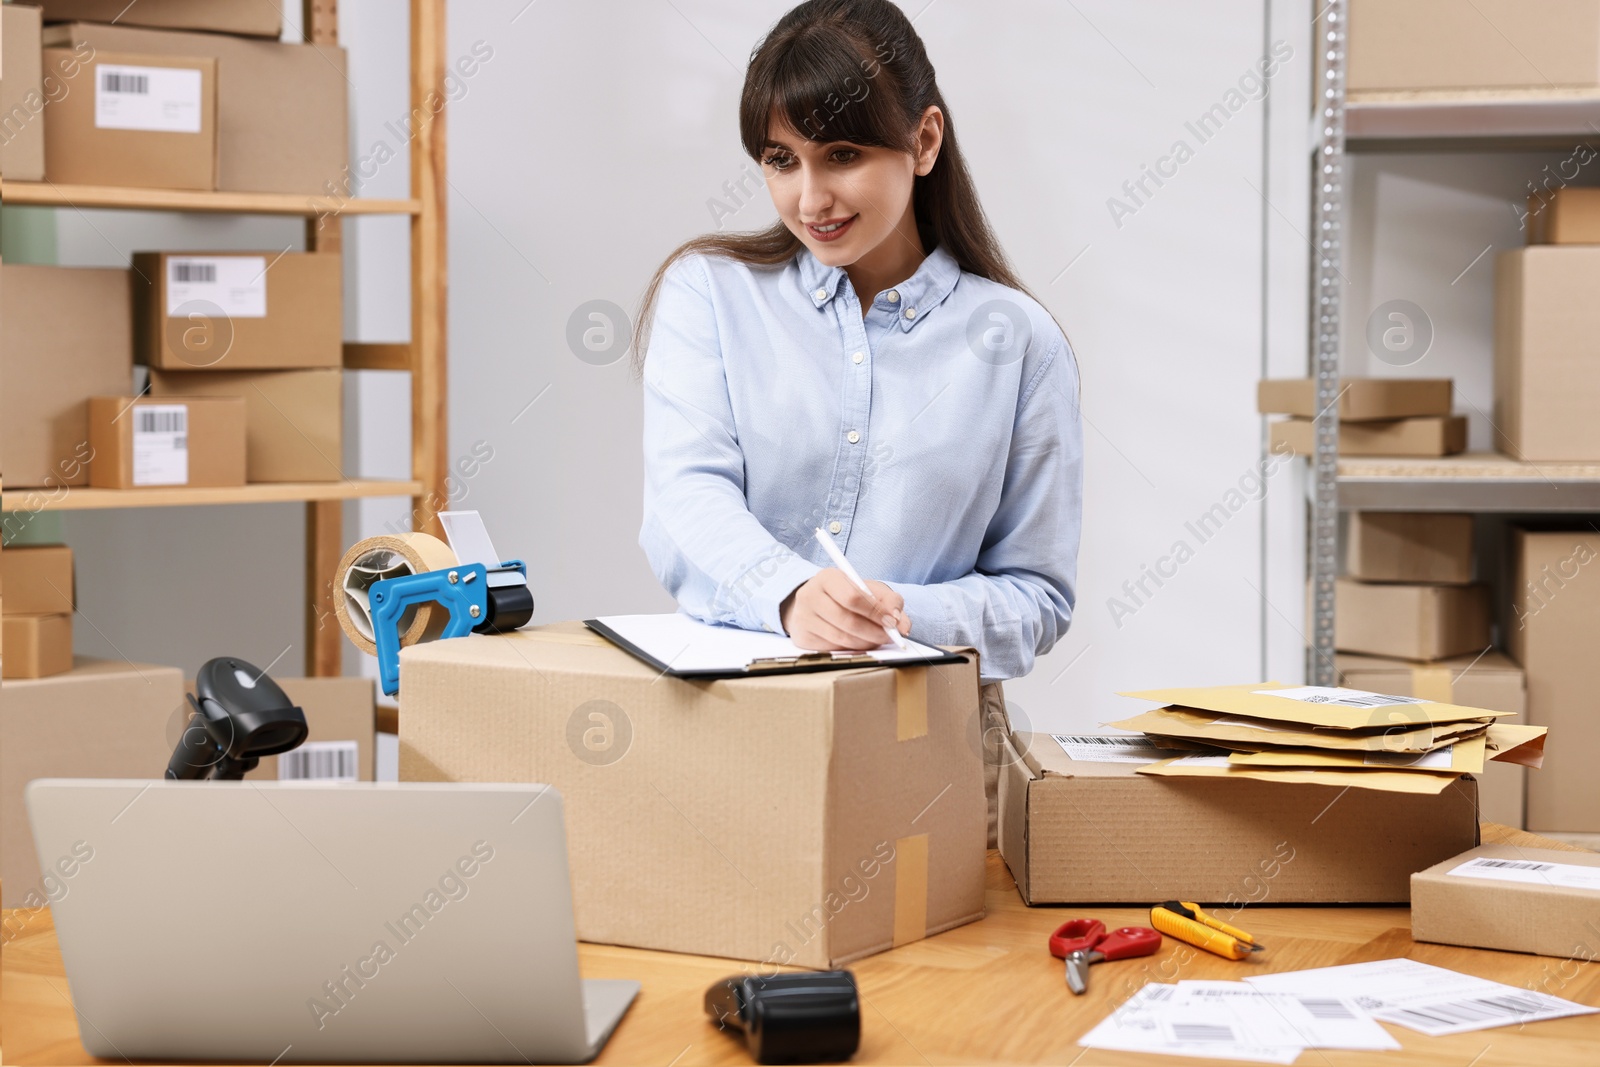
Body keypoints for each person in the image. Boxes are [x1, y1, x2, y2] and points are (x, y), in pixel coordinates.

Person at [635, 0, 1082, 843]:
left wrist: (904, 614)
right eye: (781, 159)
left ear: (924, 140)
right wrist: (793, 594)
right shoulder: (711, 296)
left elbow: (1039, 596)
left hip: (930, 754)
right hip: (735, 733)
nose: (811, 198)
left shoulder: (1020, 343)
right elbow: (684, 502)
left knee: (947, 978)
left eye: (841, 154)